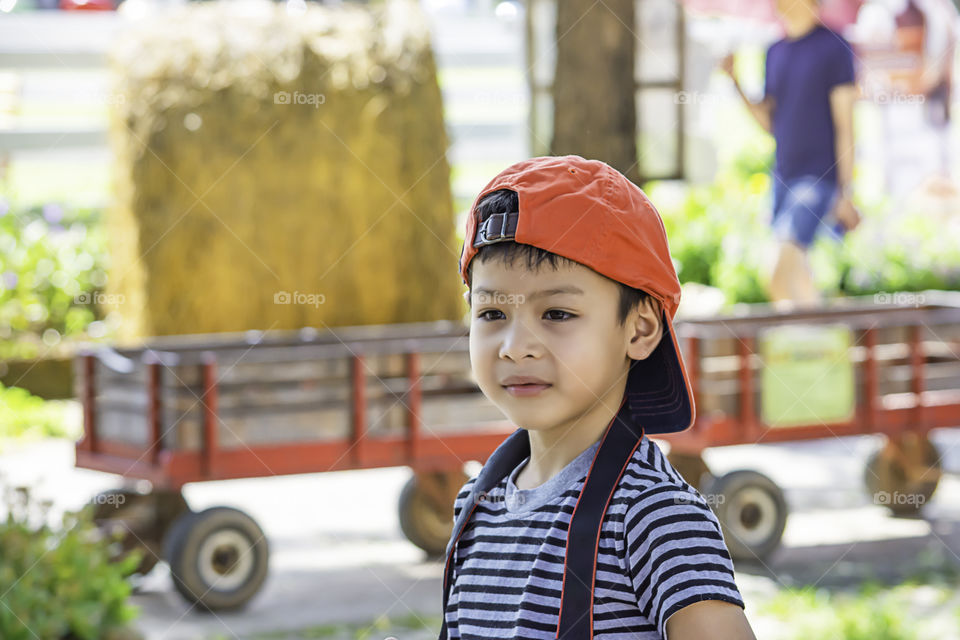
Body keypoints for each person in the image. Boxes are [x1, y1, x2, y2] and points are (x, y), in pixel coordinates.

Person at [437, 155, 756, 640]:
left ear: (640, 328)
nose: (516, 345)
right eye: (492, 313)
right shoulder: (475, 506)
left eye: (558, 314)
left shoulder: (654, 515)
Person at [721, 0, 862, 308]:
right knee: (793, 278)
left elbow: (846, 126)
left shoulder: (835, 47)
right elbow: (771, 123)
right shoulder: (774, 52)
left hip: (818, 177)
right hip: (783, 177)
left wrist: (846, 192)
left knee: (778, 269)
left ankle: (810, 343)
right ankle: (817, 344)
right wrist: (736, 81)